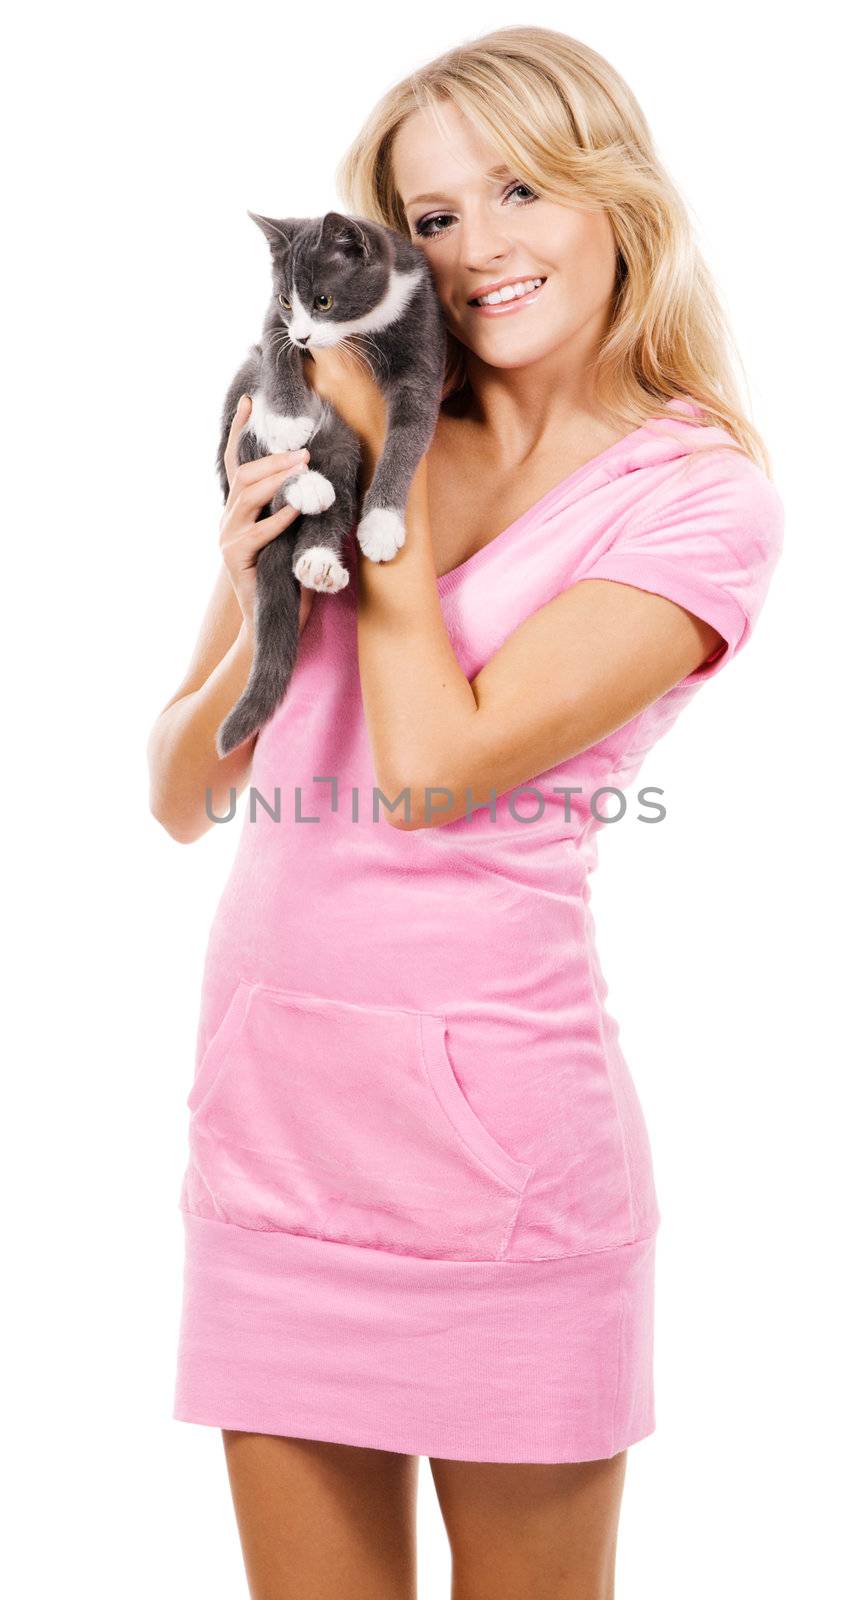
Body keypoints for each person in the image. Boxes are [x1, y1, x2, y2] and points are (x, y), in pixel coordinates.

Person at [148, 26, 784, 1600]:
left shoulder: (696, 498)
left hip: (496, 1166)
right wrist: (243, 584)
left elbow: (431, 774)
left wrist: (385, 504)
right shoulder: (332, 426)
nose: (480, 248)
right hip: (279, 1142)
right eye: (433, 218)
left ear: (615, 193)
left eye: (520, 190)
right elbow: (178, 794)